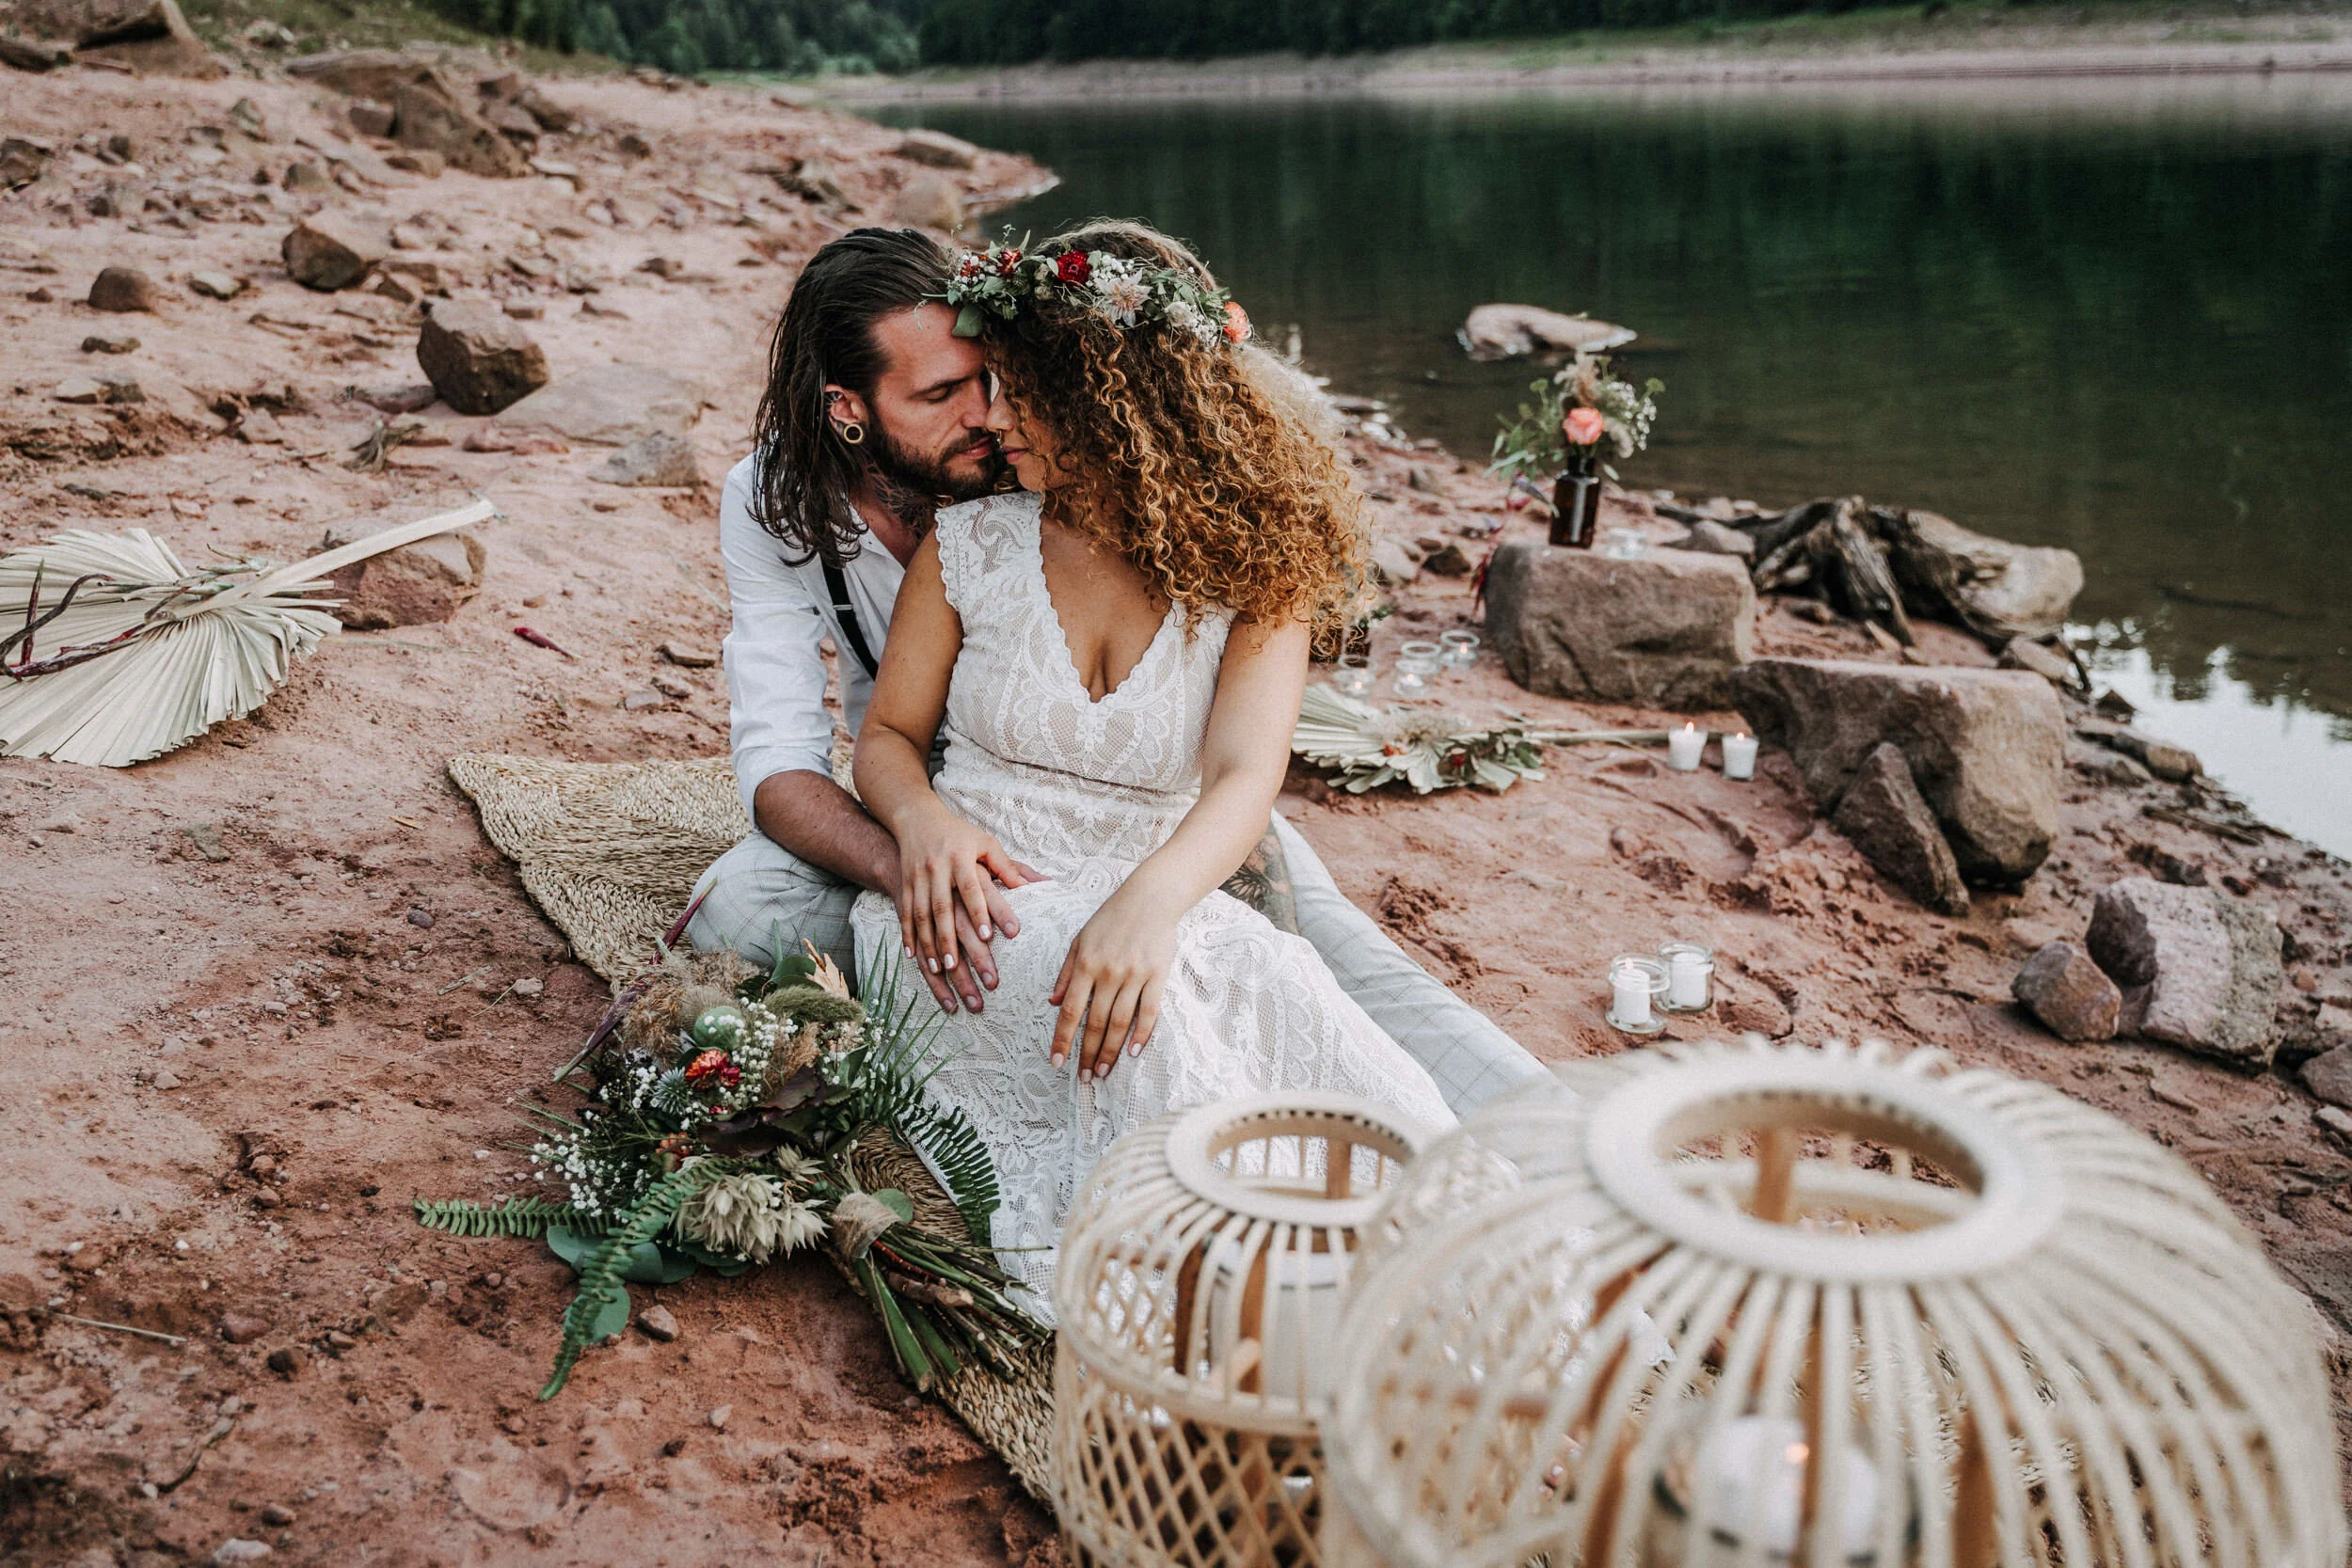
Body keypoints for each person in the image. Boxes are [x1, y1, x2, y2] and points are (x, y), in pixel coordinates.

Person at [686, 225, 1547, 1116]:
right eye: (943, 393)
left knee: (1320, 958)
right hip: (947, 810)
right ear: (849, 408)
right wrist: (917, 856)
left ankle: (1552, 1129)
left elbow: (1241, 758)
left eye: (995, 380)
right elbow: (784, 760)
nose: (986, 415)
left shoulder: (1052, 462)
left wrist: (1159, 891)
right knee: (742, 905)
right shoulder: (783, 505)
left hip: (1146, 796)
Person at [847, 221, 1462, 1310]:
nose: (989, 417)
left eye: (1020, 392)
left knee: (1290, 996)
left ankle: (1439, 1269)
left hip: (1157, 894)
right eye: (987, 386)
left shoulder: (1259, 572)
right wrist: (922, 824)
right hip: (980, 904)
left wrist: (1150, 905)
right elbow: (888, 737)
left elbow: (1241, 778)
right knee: (1145, 1026)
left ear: (1113, 402)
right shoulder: (973, 544)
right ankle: (1248, 1301)